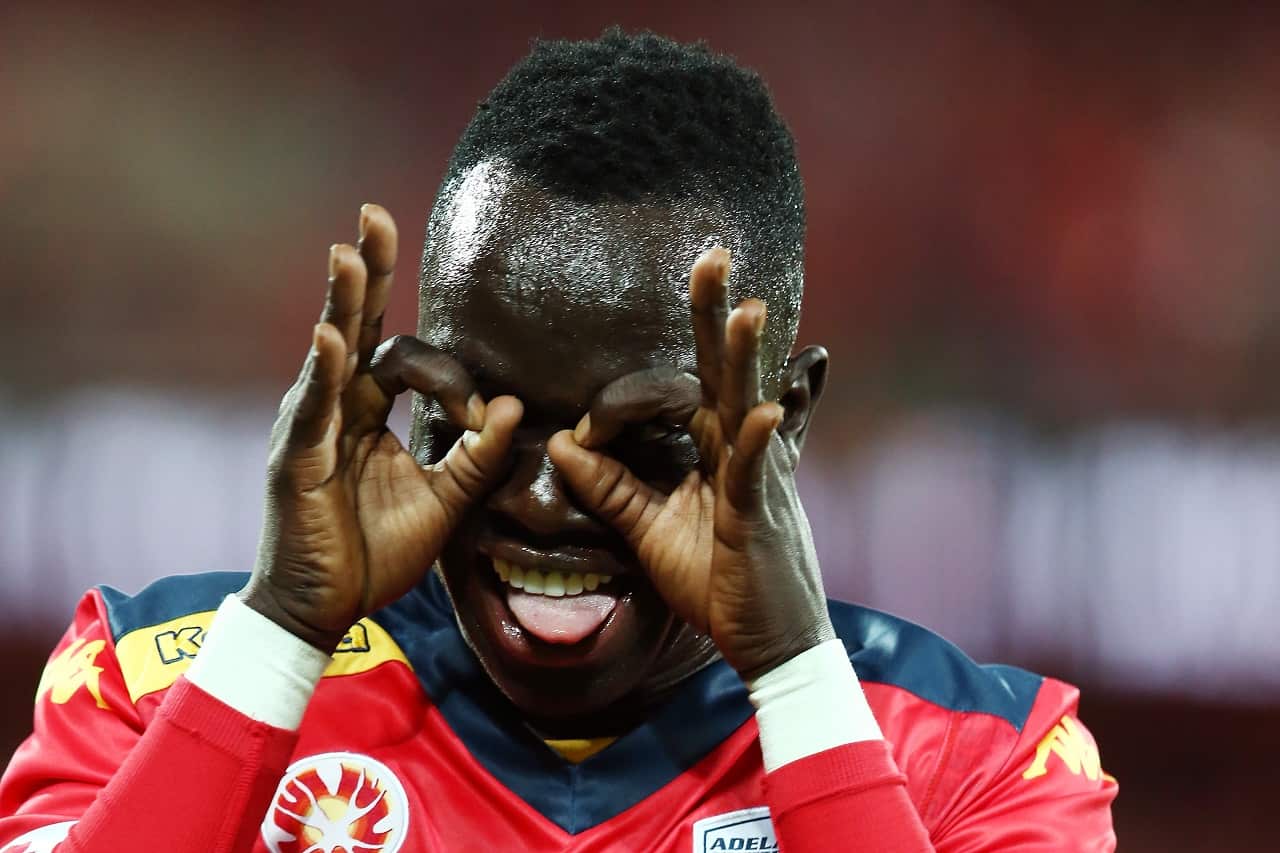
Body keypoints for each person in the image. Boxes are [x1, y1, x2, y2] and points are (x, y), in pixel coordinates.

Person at [0, 29, 1116, 852]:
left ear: (790, 415)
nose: (539, 497)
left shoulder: (986, 758)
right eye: (476, 414)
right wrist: (281, 631)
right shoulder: (153, 680)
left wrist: (792, 677)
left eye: (641, 436)